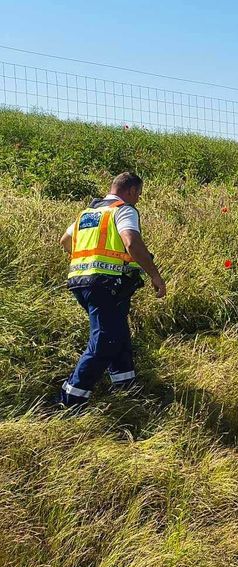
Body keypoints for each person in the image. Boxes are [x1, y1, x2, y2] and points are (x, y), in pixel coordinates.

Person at [58, 172, 166, 407]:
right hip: (106, 284)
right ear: (131, 191)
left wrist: (88, 261)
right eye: (138, 195)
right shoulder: (123, 210)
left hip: (80, 281)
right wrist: (154, 274)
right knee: (105, 340)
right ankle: (70, 399)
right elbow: (131, 241)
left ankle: (125, 388)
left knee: (117, 334)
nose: (138, 200)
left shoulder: (88, 214)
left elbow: (65, 241)